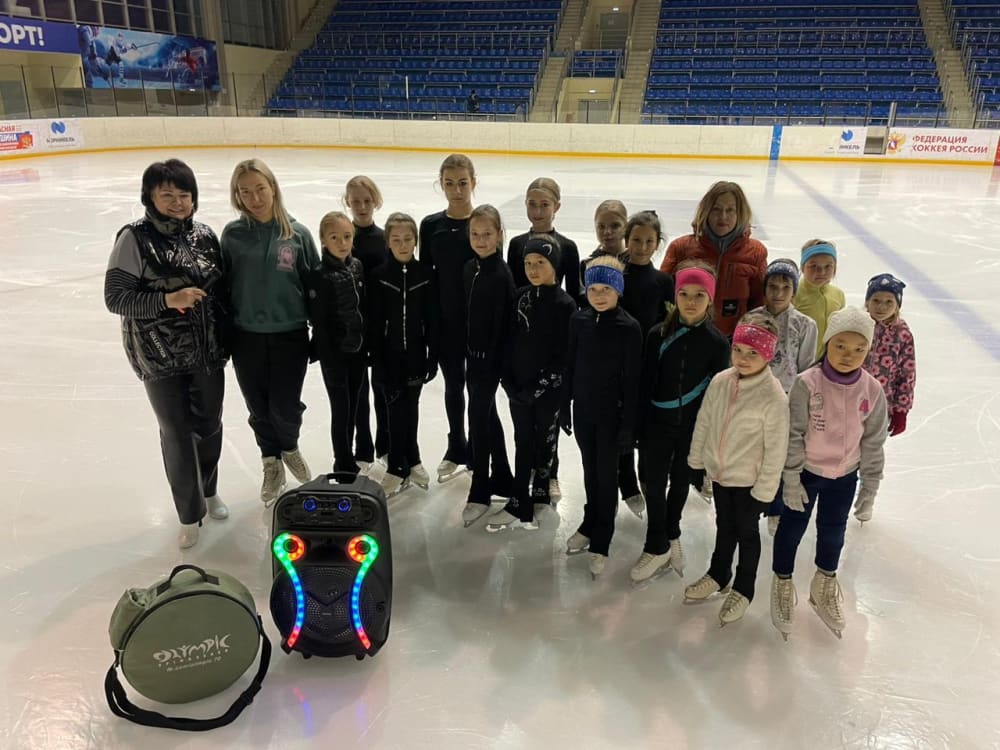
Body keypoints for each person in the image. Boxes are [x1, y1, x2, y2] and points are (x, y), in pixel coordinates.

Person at [104, 159, 228, 549]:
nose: (177, 202)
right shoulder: (134, 239)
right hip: (159, 356)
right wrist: (167, 300)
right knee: (176, 433)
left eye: (184, 195)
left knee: (209, 426)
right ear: (150, 197)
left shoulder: (205, 235)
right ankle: (189, 515)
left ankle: (209, 491)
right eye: (167, 195)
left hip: (207, 352)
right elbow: (116, 298)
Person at [770, 307, 888, 640]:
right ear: (827, 343)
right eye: (840, 346)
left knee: (834, 531)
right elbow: (793, 433)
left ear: (868, 350)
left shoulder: (872, 390)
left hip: (845, 475)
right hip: (806, 473)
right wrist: (790, 478)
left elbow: (874, 441)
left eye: (858, 349)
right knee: (791, 529)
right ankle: (782, 581)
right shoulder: (807, 383)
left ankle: (824, 582)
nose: (848, 355)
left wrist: (870, 488)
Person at [221, 158, 319, 505]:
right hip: (246, 336)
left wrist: (322, 333)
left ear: (273, 188)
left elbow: (314, 285)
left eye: (260, 189)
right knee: (259, 408)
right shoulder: (232, 235)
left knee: (285, 406)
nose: (255, 198)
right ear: (237, 195)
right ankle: (270, 461)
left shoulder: (297, 234)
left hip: (290, 334)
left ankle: (289, 446)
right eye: (245, 192)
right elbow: (223, 287)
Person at [684, 314, 789, 625]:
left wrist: (764, 493)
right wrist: (696, 462)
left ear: (767, 355)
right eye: (738, 350)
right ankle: (719, 573)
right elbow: (704, 421)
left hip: (749, 482)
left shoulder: (773, 397)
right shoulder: (721, 381)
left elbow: (776, 451)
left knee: (746, 533)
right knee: (725, 526)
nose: (743, 358)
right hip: (721, 474)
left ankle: (744, 588)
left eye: (752, 353)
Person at [630, 260, 730, 583]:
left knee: (681, 481)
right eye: (684, 293)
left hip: (692, 428)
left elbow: (717, 396)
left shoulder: (717, 343)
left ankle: (670, 532)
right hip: (657, 423)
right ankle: (656, 543)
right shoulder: (657, 334)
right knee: (654, 481)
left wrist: (711, 436)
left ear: (710, 299)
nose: (690, 301)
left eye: (699, 295)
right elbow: (645, 382)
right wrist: (638, 425)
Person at [561, 256, 643, 579]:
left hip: (612, 416)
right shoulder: (578, 320)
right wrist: (565, 404)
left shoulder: (629, 328)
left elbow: (633, 382)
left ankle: (602, 537)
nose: (598, 295)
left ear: (618, 290)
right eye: (593, 288)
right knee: (589, 470)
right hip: (583, 411)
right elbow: (570, 363)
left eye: (606, 289)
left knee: (607, 477)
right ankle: (589, 520)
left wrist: (628, 427)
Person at [488, 236, 576, 532]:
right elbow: (508, 341)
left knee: (546, 442)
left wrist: (536, 388)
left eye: (540, 262)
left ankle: (540, 492)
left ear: (555, 265)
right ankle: (518, 501)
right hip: (519, 388)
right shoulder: (521, 297)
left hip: (548, 391)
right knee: (523, 441)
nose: (533, 269)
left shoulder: (565, 305)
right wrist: (508, 382)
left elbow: (563, 357)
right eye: (528, 263)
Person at [506, 177, 581, 502]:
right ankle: (526, 473)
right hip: (526, 338)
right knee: (526, 426)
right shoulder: (516, 244)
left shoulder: (568, 247)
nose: (537, 211)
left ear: (556, 207)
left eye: (544, 204)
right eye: (532, 204)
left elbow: (574, 294)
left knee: (550, 419)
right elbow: (515, 291)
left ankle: (550, 474)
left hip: (552, 340)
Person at [368, 213, 439, 497]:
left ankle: (414, 457)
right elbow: (374, 323)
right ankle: (397, 466)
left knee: (411, 407)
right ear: (387, 242)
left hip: (416, 355)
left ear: (415, 241)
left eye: (408, 239)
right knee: (395, 411)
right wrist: (376, 360)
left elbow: (432, 319)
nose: (402, 244)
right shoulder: (379, 276)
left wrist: (432, 355)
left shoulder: (426, 275)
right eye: (396, 239)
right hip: (389, 356)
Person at [748, 258, 818, 536]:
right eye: (773, 286)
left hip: (787, 400)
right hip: (755, 396)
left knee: (780, 453)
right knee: (756, 451)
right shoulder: (752, 319)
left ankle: (776, 507)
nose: (778, 293)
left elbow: (807, 368)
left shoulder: (805, 325)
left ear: (794, 291)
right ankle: (754, 500)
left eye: (785, 287)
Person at [419, 154, 478, 483]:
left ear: (473, 183)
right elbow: (427, 278)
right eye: (449, 183)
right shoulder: (431, 226)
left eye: (463, 183)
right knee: (454, 386)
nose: (456, 190)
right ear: (440, 185)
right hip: (445, 322)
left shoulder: (484, 222)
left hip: (478, 324)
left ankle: (479, 449)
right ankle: (456, 446)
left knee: (478, 390)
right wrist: (428, 325)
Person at [461, 205, 516, 527]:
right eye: (475, 234)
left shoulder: (501, 274)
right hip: (473, 356)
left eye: (487, 234)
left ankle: (480, 488)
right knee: (486, 415)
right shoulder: (470, 268)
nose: (480, 240)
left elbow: (504, 326)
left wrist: (496, 363)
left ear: (498, 235)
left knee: (478, 421)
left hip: (490, 362)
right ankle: (504, 477)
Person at [618, 211, 676, 519]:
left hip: (649, 365)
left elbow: (668, 323)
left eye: (649, 241)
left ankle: (644, 475)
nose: (642, 247)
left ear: (657, 244)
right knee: (623, 422)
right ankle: (626, 479)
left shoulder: (663, 281)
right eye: (636, 240)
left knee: (645, 423)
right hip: (618, 365)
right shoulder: (616, 274)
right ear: (626, 239)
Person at [658, 181, 767, 338]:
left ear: (740, 213)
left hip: (733, 341)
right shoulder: (681, 248)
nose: (723, 216)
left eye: (730, 210)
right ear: (707, 210)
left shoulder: (756, 253)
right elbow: (663, 295)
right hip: (686, 335)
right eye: (716, 209)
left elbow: (760, 304)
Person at [307, 211, 368, 477]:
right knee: (341, 409)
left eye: (346, 236)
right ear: (323, 240)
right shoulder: (319, 275)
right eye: (334, 237)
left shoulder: (357, 267)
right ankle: (342, 461)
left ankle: (349, 456)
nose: (342, 243)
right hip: (335, 356)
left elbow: (362, 308)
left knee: (353, 405)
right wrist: (328, 357)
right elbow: (319, 323)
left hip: (357, 351)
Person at [343, 175, 389, 470]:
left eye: (367, 201)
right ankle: (363, 447)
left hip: (381, 326)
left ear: (376, 202)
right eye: (355, 201)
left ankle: (386, 445)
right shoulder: (343, 238)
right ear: (347, 202)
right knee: (358, 391)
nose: (361, 206)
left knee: (382, 388)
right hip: (353, 328)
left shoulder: (385, 238)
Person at [863, 273, 915, 452]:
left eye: (889, 302)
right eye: (876, 300)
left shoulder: (902, 334)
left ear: (897, 306)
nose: (881, 307)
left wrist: (901, 410)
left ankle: (868, 471)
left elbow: (907, 376)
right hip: (852, 399)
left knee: (872, 450)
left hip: (883, 404)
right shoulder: (858, 325)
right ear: (867, 302)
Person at [793, 239, 844, 359]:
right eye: (814, 266)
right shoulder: (794, 293)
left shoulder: (838, 295)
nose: (821, 272)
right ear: (803, 267)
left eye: (828, 266)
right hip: (797, 359)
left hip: (826, 360)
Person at [580, 199, 629, 300]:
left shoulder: (636, 261)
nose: (607, 232)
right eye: (601, 226)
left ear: (626, 227)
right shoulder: (587, 264)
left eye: (615, 226)